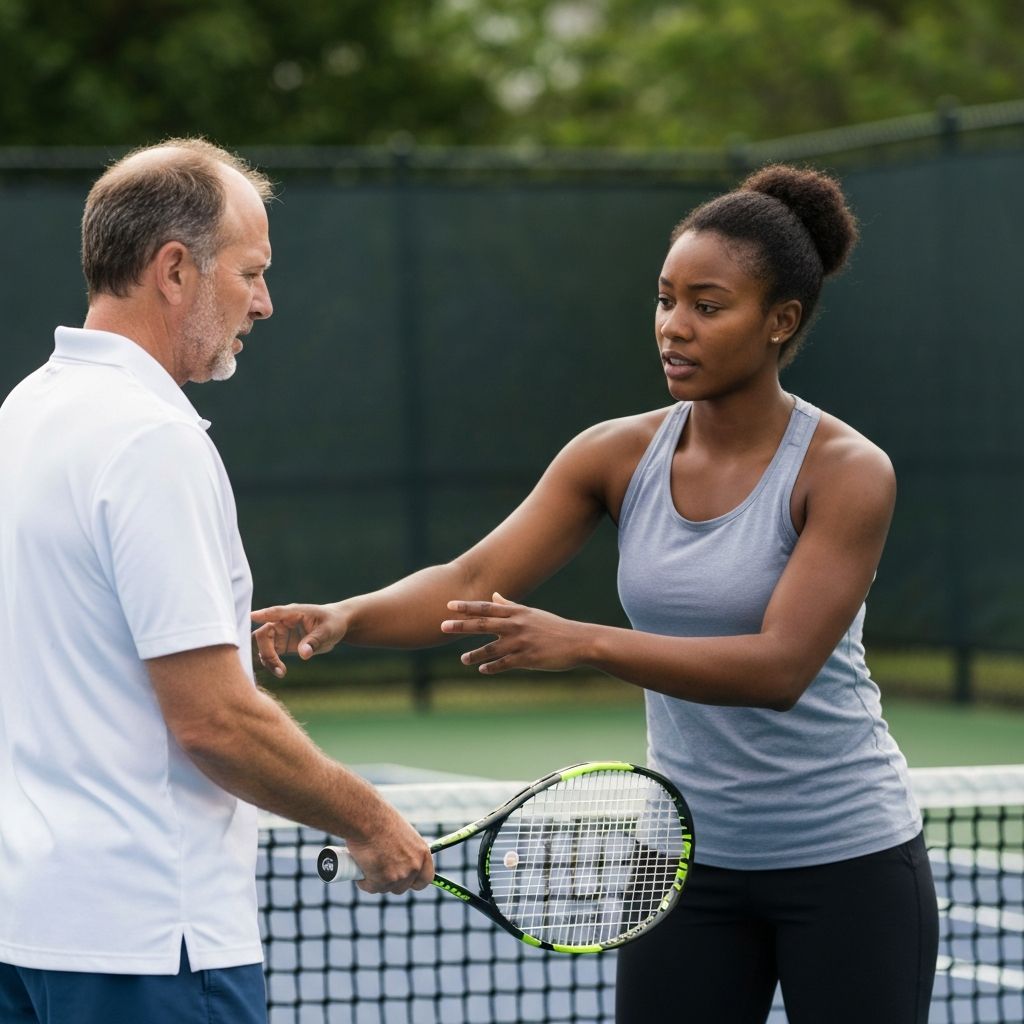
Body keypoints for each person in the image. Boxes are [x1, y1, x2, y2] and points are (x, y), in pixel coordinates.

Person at [252, 164, 938, 1024]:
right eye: (664, 299)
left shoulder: (846, 472)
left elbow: (779, 667)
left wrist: (584, 642)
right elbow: (468, 583)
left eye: (707, 305)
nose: (673, 327)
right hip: (683, 865)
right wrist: (349, 614)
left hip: (847, 863)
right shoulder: (612, 456)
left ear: (781, 322)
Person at [0, 138, 433, 1024]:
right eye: (250, 272)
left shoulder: (26, 411)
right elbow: (214, 722)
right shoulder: (152, 440)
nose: (264, 303)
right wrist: (369, 819)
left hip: (26, 931)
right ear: (173, 271)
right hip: (152, 948)